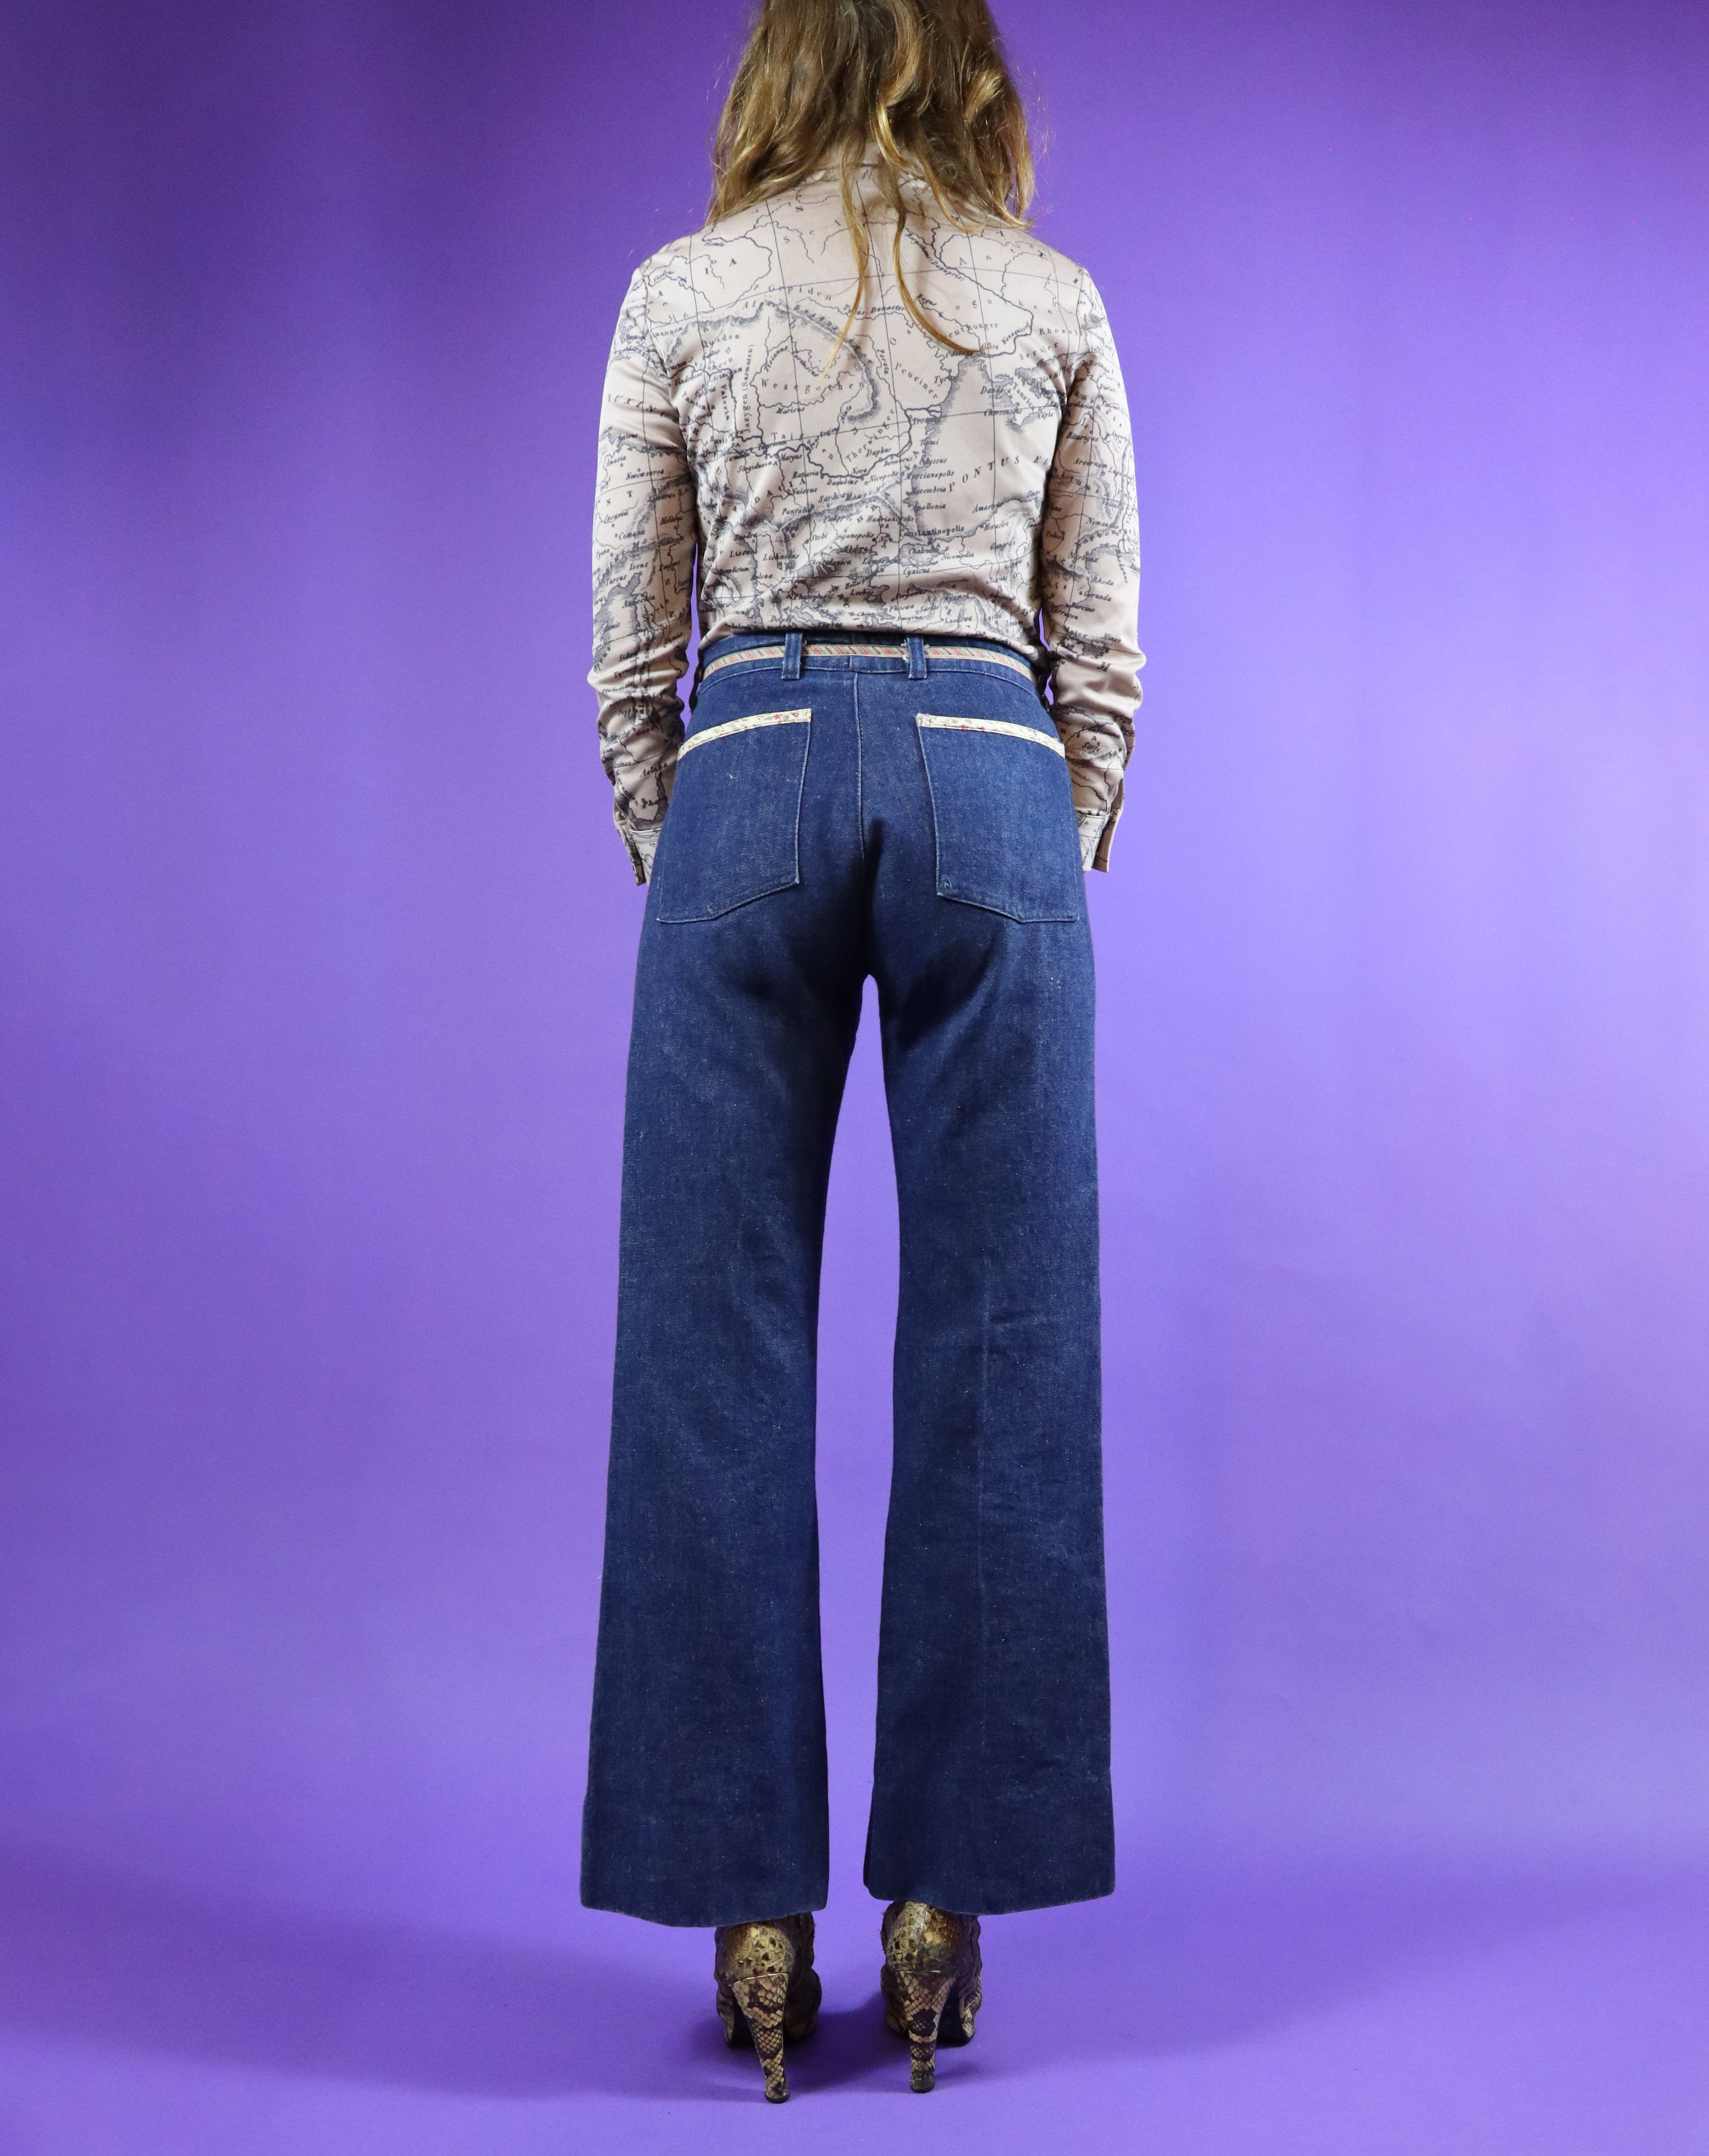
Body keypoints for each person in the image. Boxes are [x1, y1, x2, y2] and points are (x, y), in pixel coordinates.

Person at [580, 0, 1142, 2101]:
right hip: (992, 767)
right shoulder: (1052, 299)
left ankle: (750, 1911)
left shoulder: (677, 291)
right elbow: (1102, 648)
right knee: (1002, 1334)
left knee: (711, 1340)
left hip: (748, 765)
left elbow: (631, 649)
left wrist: (693, 841)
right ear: (971, 67)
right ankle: (939, 1911)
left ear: (778, 66)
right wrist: (1051, 833)